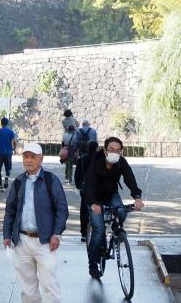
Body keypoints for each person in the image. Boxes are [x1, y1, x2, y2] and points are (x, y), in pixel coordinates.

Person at [2, 142, 69, 303]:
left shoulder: (50, 180)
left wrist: (57, 233)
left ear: (41, 159)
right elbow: (10, 210)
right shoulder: (19, 181)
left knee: (49, 284)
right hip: (22, 240)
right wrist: (7, 234)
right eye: (26, 156)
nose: (29, 160)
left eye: (33, 156)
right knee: (27, 285)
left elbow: (62, 209)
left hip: (45, 241)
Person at [82, 136, 144, 279]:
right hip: (93, 196)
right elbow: (89, 184)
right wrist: (93, 203)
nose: (114, 153)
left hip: (111, 194)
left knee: (121, 211)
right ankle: (93, 264)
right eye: (111, 149)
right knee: (98, 230)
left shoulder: (121, 162)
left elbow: (129, 179)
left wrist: (137, 197)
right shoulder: (95, 161)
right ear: (105, 150)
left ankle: (117, 230)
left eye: (118, 150)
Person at [73, 139, 100, 243]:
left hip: (85, 189)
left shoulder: (82, 159)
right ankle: (97, 231)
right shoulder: (100, 159)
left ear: (88, 148)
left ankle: (84, 234)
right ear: (97, 148)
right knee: (98, 209)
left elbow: (77, 174)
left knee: (84, 211)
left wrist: (78, 186)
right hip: (98, 188)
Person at [0, 116, 17, 190]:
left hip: (0, 153)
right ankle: (6, 177)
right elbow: (14, 141)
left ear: (1, 123)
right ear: (7, 123)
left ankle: (1, 186)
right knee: (8, 168)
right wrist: (14, 149)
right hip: (8, 152)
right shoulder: (11, 132)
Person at [60, 108, 79, 185]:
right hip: (72, 148)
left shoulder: (63, 122)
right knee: (70, 164)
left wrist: (62, 149)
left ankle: (66, 177)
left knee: (67, 164)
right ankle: (70, 179)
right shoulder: (73, 120)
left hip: (65, 147)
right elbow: (78, 125)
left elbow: (62, 143)